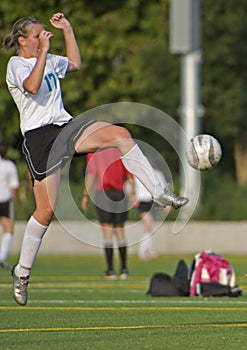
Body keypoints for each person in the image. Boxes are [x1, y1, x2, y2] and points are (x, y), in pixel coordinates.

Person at [3, 12, 188, 306]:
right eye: (38, 35)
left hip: (66, 127)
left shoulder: (49, 58)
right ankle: (22, 272)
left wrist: (68, 30)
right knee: (46, 211)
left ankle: (159, 193)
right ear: (23, 40)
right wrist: (45, 54)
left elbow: (76, 63)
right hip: (40, 138)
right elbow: (32, 87)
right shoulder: (17, 64)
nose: (43, 39)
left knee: (120, 135)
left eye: (43, 34)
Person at [82, 148, 134, 279]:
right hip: (120, 194)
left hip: (103, 194)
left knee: (107, 231)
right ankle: (124, 269)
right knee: (120, 231)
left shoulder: (93, 151)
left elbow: (92, 174)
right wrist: (133, 193)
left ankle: (110, 270)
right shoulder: (119, 150)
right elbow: (129, 173)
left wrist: (85, 195)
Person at [133, 168, 167, 260]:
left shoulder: (157, 173)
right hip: (141, 200)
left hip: (152, 200)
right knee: (148, 222)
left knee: (149, 226)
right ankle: (143, 250)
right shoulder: (137, 172)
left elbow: (163, 187)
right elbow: (131, 186)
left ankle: (149, 249)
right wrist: (133, 197)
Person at [0, 141, 20, 269]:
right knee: (8, 229)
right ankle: (1, 258)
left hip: (4, 199)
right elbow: (13, 187)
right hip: (5, 199)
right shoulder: (9, 166)